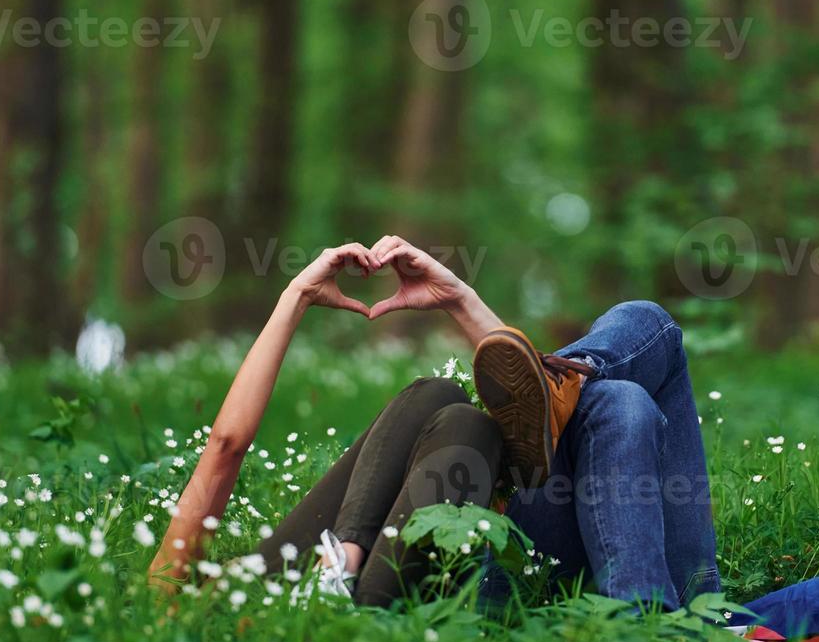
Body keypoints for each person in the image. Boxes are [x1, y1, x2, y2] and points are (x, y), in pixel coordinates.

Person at [149, 234, 722, 611]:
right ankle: (345, 563)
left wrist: (459, 300)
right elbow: (226, 445)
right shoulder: (179, 601)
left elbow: (227, 446)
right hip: (431, 591)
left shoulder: (212, 598)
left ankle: (658, 618)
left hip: (396, 582)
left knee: (595, 401)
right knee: (648, 333)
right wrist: (294, 295)